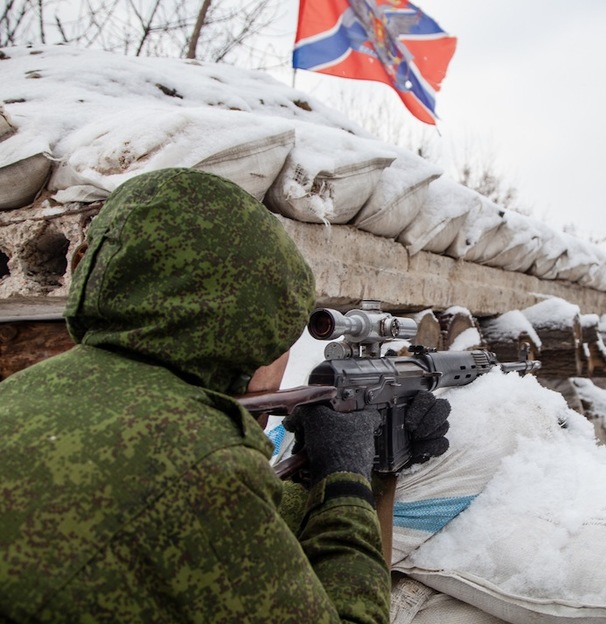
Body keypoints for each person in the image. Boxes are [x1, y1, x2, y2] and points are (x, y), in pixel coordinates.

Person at [0, 168, 449, 623]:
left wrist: (318, 466)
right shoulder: (200, 462)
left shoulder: (26, 390)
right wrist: (348, 479)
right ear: (247, 335)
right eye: (282, 337)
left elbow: (222, 536)